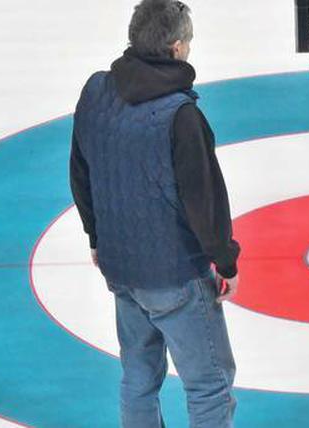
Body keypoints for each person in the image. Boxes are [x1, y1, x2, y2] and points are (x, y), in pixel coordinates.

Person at [69, 0, 240, 425]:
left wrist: (96, 237)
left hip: (121, 266)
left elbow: (81, 171)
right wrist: (225, 261)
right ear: (177, 47)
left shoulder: (96, 92)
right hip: (174, 274)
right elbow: (204, 200)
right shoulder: (181, 116)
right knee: (209, 385)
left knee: (138, 376)